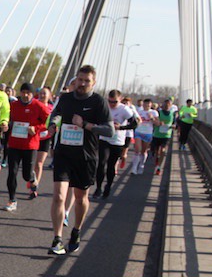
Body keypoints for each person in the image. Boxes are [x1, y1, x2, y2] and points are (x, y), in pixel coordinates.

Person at [46, 65, 113, 255]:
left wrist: (85, 125)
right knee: (59, 196)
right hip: (64, 153)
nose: (82, 84)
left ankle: (76, 231)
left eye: (86, 81)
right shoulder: (66, 98)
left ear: (93, 82)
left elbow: (109, 130)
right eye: (80, 80)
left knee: (80, 197)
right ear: (75, 80)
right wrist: (53, 124)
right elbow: (56, 113)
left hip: (86, 156)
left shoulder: (98, 102)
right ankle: (57, 239)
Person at [5, 82, 48, 210]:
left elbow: (48, 121)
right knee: (12, 172)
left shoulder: (38, 106)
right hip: (14, 144)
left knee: (26, 175)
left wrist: (36, 128)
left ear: (32, 94)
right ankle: (12, 200)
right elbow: (6, 118)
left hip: (30, 145)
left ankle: (32, 178)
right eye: (23, 92)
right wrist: (6, 124)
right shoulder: (13, 105)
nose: (25, 95)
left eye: (28, 93)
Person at [93, 90, 138, 200]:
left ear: (120, 99)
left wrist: (121, 127)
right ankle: (98, 188)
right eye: (110, 101)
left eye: (114, 102)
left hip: (117, 141)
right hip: (104, 138)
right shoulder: (105, 107)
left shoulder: (124, 109)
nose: (112, 104)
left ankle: (108, 186)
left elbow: (134, 124)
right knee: (101, 163)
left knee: (111, 165)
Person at [33, 86, 54, 191]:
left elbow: (55, 122)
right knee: (32, 163)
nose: (42, 95)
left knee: (39, 163)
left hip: (45, 138)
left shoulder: (52, 109)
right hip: (33, 137)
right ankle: (31, 180)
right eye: (40, 93)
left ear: (49, 96)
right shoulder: (33, 106)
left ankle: (35, 185)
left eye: (44, 93)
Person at [131, 98, 158, 175]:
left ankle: (141, 165)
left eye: (148, 104)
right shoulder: (139, 111)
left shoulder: (154, 112)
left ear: (151, 105)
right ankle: (134, 168)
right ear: (143, 104)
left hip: (148, 133)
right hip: (139, 132)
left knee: (143, 151)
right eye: (145, 104)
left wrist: (152, 118)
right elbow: (135, 120)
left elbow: (157, 123)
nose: (147, 105)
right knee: (137, 150)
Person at [150, 98, 175, 175]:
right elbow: (154, 121)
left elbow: (175, 124)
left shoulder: (173, 114)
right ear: (163, 105)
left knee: (163, 150)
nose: (167, 106)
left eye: (169, 105)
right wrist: (159, 123)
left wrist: (173, 126)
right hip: (157, 134)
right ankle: (157, 160)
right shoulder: (159, 112)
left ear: (171, 105)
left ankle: (159, 167)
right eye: (166, 104)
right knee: (156, 152)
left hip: (166, 135)